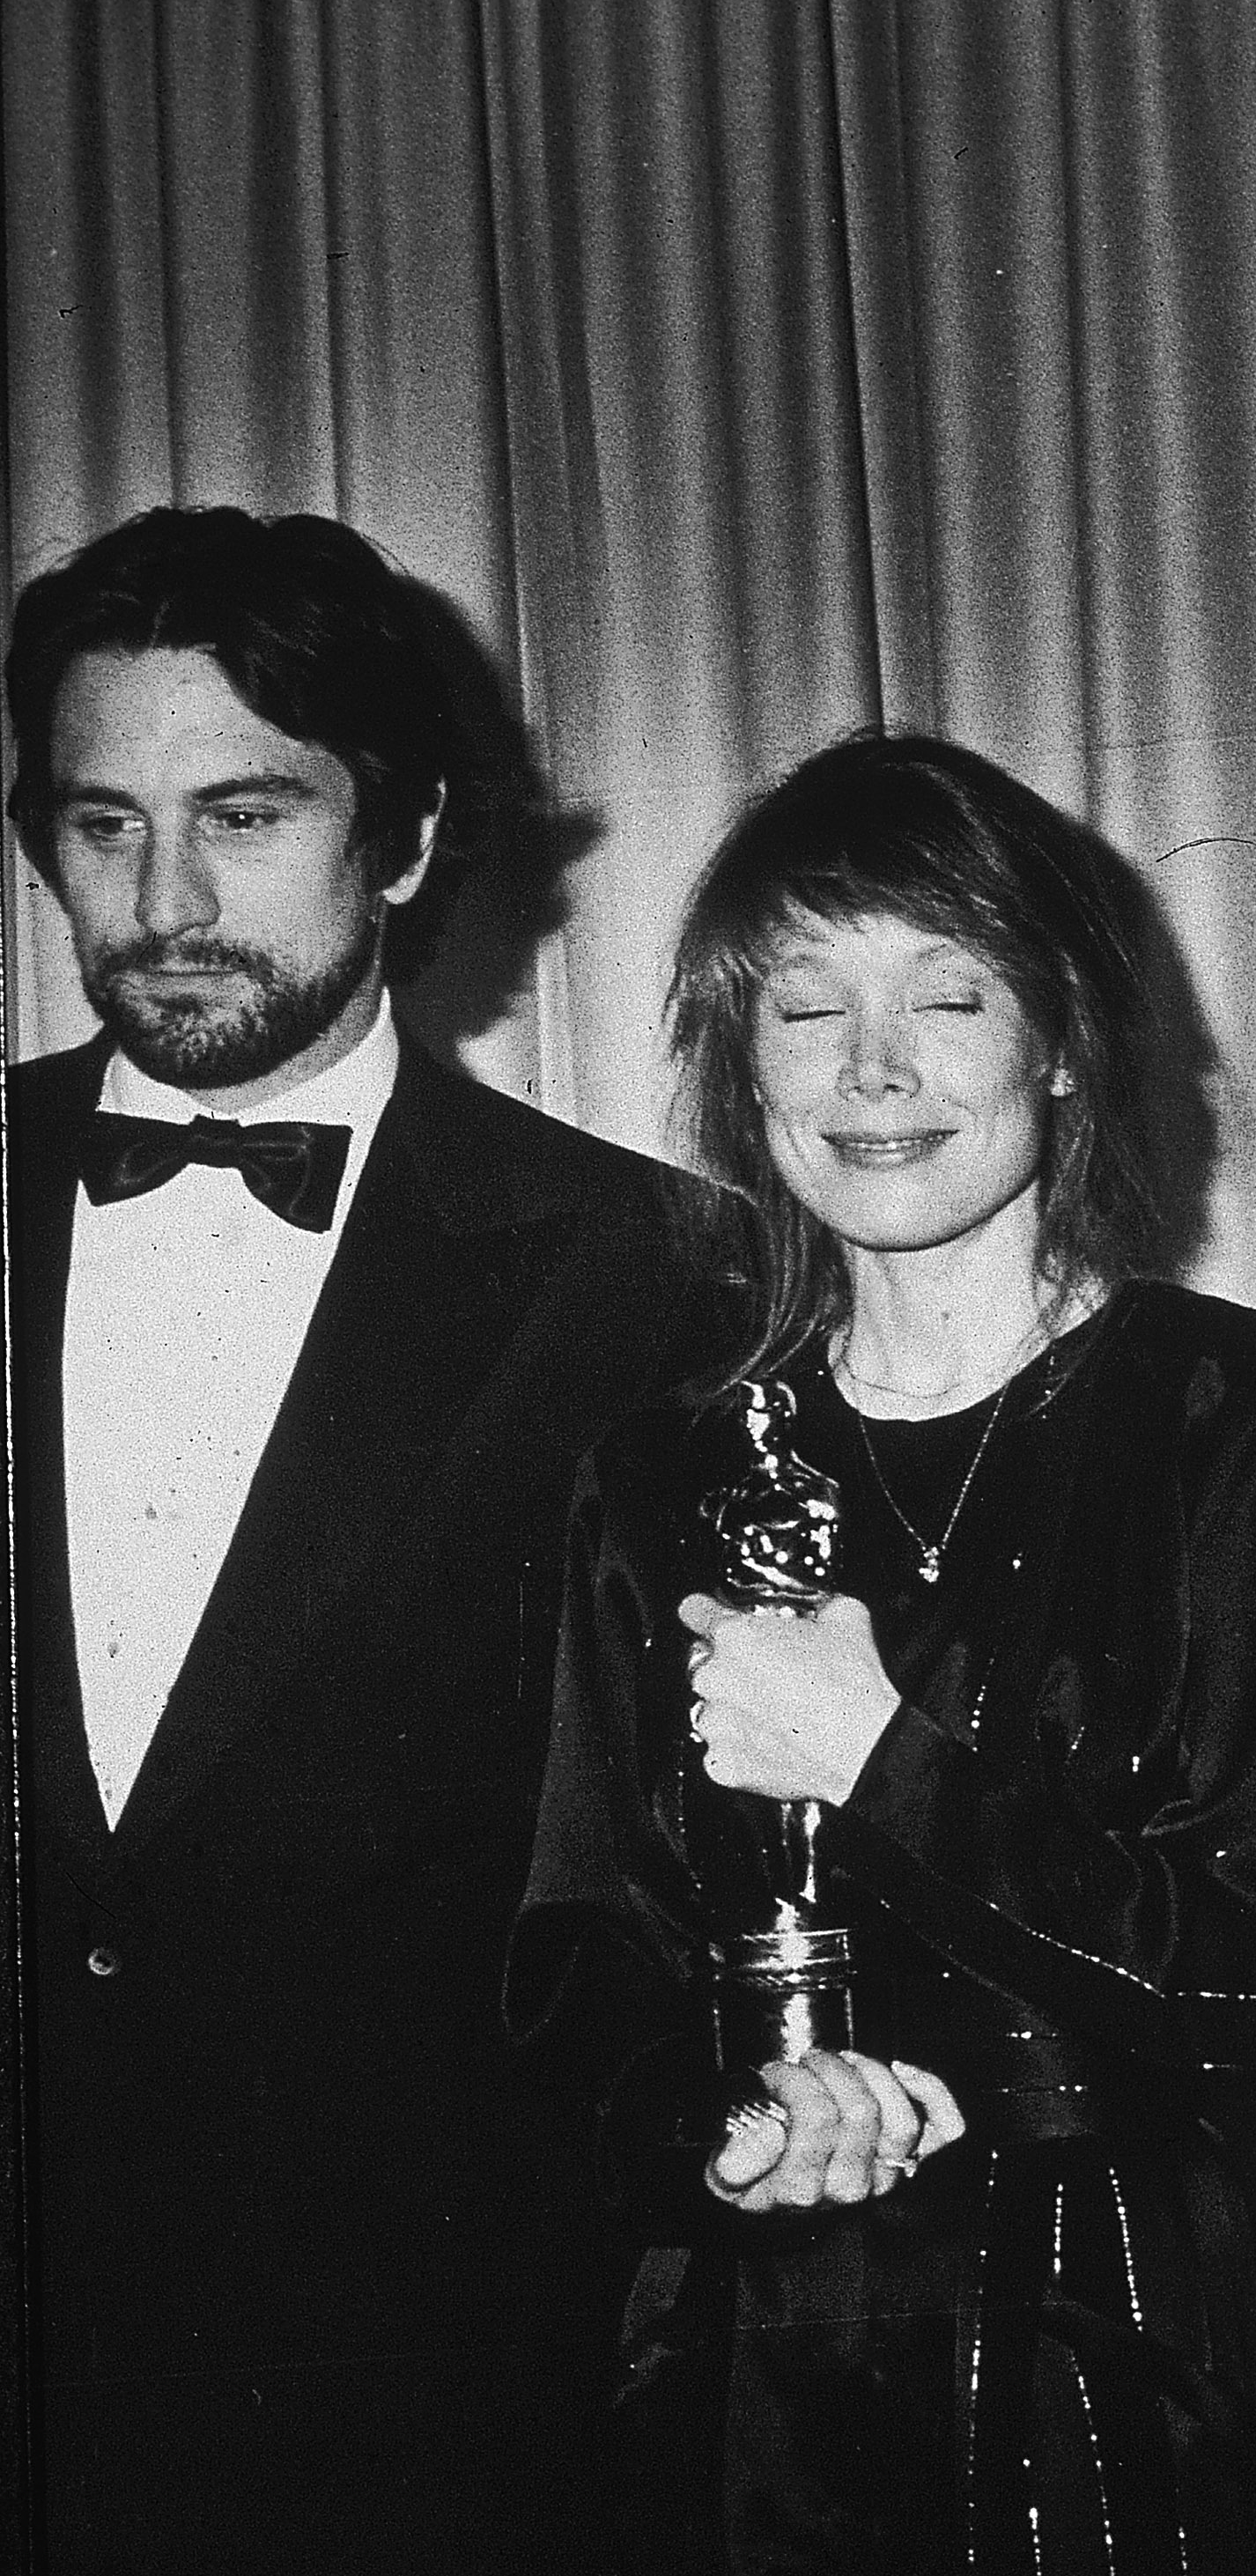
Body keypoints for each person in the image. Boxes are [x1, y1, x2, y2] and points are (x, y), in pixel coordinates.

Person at [507, 734, 1256, 2574]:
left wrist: (877, 1755)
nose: (874, 1070)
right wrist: (727, 2121)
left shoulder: (1247, 1416)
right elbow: (583, 1959)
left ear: (1057, 1039)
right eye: (807, 1009)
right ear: (743, 1071)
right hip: (750, 2388)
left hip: (1130, 2373)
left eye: (945, 995)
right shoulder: (653, 1471)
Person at [4, 505, 699, 2571]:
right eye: (100, 824)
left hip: (438, 2421)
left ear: (401, 840)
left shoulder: (655, 1276)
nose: (165, 899)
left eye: (244, 813)